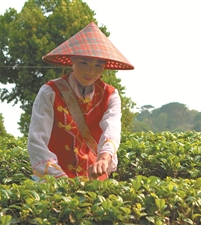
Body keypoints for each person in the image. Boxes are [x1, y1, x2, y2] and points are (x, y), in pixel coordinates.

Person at [27, 22, 134, 182]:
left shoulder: (111, 95)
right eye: (84, 63)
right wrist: (61, 179)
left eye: (98, 65)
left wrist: (104, 159)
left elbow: (111, 130)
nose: (91, 71)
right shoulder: (50, 92)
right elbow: (37, 140)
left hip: (94, 181)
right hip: (56, 181)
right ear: (72, 61)